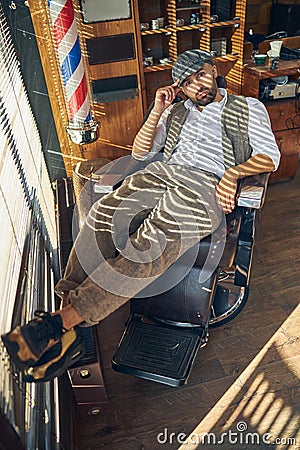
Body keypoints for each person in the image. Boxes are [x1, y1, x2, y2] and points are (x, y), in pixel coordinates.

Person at [1, 49, 280, 382]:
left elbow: (269, 156)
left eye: (201, 75)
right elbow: (141, 152)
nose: (197, 86)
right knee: (102, 217)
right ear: (180, 88)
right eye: (187, 83)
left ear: (214, 70)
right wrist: (159, 109)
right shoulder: (175, 111)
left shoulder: (248, 107)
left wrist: (233, 175)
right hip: (159, 175)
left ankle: (59, 325)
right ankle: (70, 327)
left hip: (206, 183)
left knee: (149, 242)